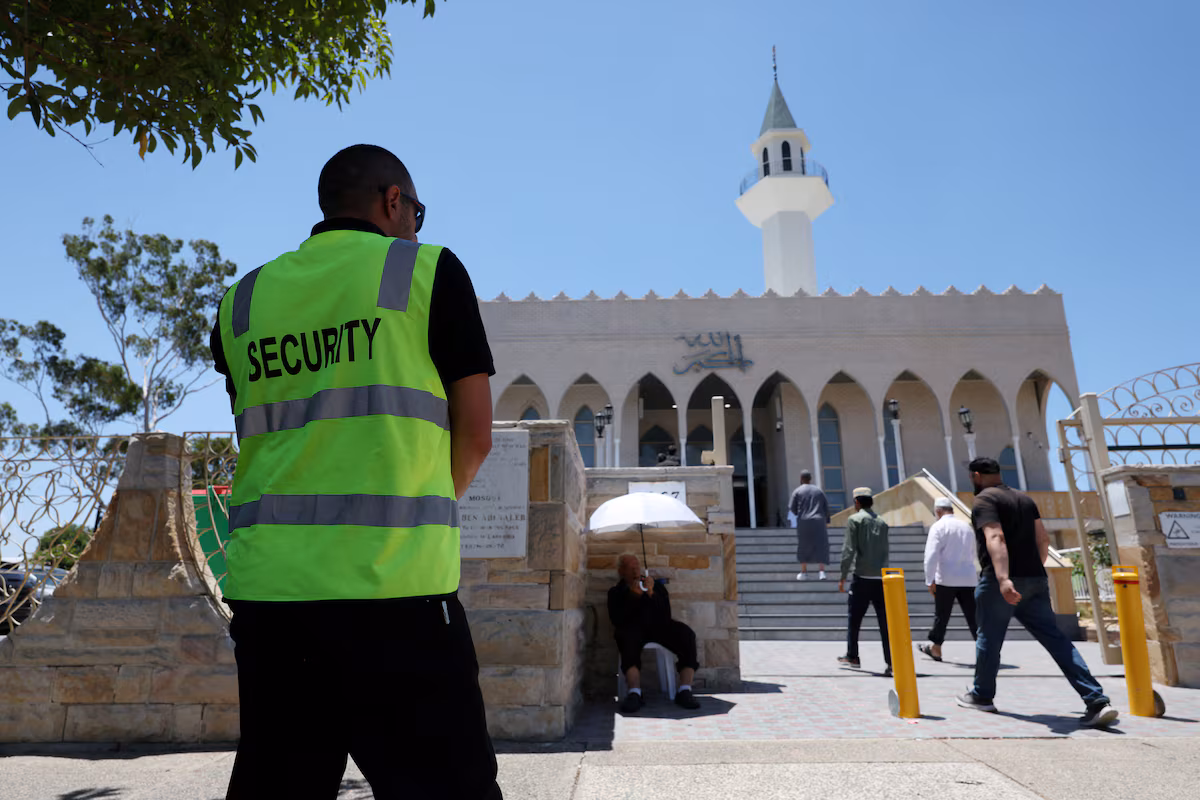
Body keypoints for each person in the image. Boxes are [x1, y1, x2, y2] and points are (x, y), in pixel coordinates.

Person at [211, 144, 503, 799]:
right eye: (415, 211)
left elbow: (266, 436)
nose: (416, 226)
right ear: (392, 200)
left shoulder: (243, 300)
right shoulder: (427, 273)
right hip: (398, 598)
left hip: (273, 603)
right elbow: (477, 435)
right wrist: (418, 508)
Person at [957, 457, 1119, 728]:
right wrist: (1033, 569)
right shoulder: (1024, 499)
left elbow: (995, 536)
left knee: (989, 640)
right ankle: (1096, 701)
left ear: (976, 476)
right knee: (1057, 640)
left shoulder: (984, 500)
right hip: (1035, 579)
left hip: (1001, 582)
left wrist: (1004, 578)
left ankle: (982, 696)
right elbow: (1042, 539)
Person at [608, 553, 701, 712]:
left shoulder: (656, 586)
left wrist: (651, 593)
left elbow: (665, 614)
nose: (635, 570)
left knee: (686, 634)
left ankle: (685, 690)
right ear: (621, 571)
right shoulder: (616, 592)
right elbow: (618, 620)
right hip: (633, 630)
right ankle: (634, 693)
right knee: (625, 636)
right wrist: (633, 596)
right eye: (631, 568)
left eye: (637, 566)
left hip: (659, 628)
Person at [838, 487, 892, 677]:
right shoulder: (883, 522)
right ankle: (891, 662)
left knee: (854, 619)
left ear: (857, 502)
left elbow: (849, 550)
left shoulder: (855, 520)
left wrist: (842, 575)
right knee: (886, 623)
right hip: (881, 579)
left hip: (862, 577)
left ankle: (853, 655)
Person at [919, 497, 978, 662]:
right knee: (974, 617)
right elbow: (973, 552)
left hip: (946, 578)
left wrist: (929, 580)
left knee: (942, 615)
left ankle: (936, 648)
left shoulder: (938, 527)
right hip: (968, 578)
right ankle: (986, 649)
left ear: (938, 511)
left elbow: (931, 556)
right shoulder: (966, 527)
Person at [788, 470, 830, 580]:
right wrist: (827, 521)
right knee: (821, 545)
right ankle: (821, 572)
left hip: (804, 521)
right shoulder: (819, 491)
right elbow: (826, 507)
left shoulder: (797, 491)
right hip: (819, 520)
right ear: (810, 479)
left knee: (803, 546)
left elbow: (792, 508)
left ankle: (803, 572)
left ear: (801, 479)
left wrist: (799, 513)